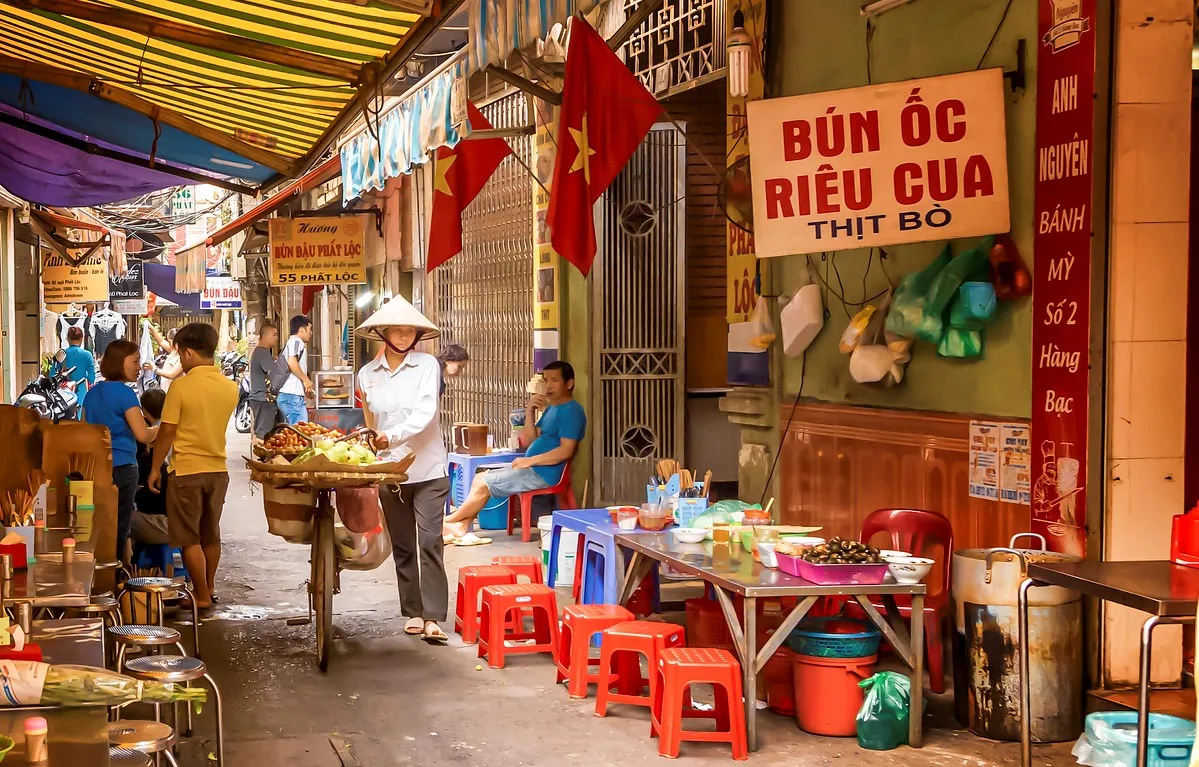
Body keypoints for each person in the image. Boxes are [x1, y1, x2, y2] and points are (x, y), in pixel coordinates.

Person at [356, 297, 451, 644]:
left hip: (428, 468)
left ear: (417, 335)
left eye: (409, 329)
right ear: (383, 332)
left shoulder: (427, 365)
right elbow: (369, 419)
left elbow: (425, 413)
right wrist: (372, 447)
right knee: (403, 544)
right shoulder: (366, 374)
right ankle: (412, 611)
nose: (402, 334)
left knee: (429, 541)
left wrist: (390, 437)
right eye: (396, 328)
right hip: (390, 472)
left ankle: (434, 616)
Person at [147, 323, 238, 611]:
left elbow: (167, 433)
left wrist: (153, 469)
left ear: (187, 353)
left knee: (189, 537)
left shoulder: (181, 386)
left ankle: (200, 594)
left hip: (186, 471)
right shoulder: (230, 387)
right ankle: (209, 587)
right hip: (217, 471)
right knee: (211, 533)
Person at [443, 361, 585, 542]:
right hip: (532, 469)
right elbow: (529, 440)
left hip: (544, 473)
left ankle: (448, 520)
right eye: (546, 380)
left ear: (569, 383)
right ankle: (461, 525)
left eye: (554, 380)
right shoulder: (552, 409)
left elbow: (566, 451)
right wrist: (529, 412)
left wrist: (530, 461)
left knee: (481, 482)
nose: (548, 385)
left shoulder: (572, 411)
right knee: (481, 478)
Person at [82, 340, 159, 562]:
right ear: (119, 363)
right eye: (134, 361)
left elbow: (85, 429)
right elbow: (142, 435)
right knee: (120, 526)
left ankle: (99, 572)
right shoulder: (125, 394)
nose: (139, 366)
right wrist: (159, 429)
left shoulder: (91, 394)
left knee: (99, 525)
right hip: (123, 468)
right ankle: (118, 578)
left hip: (95, 469)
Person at [131, 388, 170, 551]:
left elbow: (149, 501)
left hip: (168, 525)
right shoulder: (175, 431)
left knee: (121, 519)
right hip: (184, 521)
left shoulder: (154, 465)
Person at [277, 315, 314, 425]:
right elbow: (292, 362)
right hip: (291, 396)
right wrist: (306, 380)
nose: (311, 333)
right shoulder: (296, 341)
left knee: (293, 433)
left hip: (290, 396)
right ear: (302, 330)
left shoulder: (292, 343)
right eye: (310, 329)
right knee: (301, 432)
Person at [248, 322, 282, 439]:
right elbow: (273, 373)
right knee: (263, 434)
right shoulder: (262, 352)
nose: (277, 338)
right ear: (264, 336)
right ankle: (259, 456)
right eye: (274, 335)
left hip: (260, 399)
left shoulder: (261, 353)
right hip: (263, 399)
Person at [58, 326, 96, 403]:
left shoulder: (61, 354)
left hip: (64, 391)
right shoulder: (87, 355)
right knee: (80, 413)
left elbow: (52, 375)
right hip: (81, 390)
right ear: (82, 339)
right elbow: (92, 378)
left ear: (67, 339)